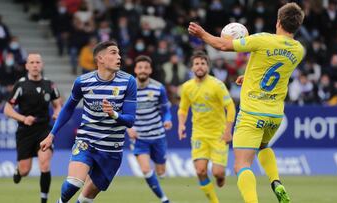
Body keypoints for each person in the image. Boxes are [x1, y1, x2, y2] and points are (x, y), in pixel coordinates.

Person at [188, 2, 305, 203]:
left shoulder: (262, 40)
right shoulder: (298, 50)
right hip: (275, 115)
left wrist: (202, 34)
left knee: (242, 165)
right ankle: (276, 181)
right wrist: (249, 77)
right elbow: (274, 70)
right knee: (264, 145)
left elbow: (222, 45)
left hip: (252, 113)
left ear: (278, 21)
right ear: (297, 26)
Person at [40, 40, 137, 203]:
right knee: (74, 182)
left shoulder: (128, 82)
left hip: (112, 149)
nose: (119, 56)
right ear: (100, 58)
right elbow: (68, 109)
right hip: (87, 141)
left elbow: (130, 120)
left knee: (86, 199)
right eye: (113, 53)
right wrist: (52, 135)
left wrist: (113, 114)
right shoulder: (83, 82)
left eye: (119, 53)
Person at [178, 51, 236, 203]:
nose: (199, 66)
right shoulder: (187, 87)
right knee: (200, 170)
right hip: (199, 134)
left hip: (218, 134)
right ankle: (214, 201)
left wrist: (228, 131)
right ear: (192, 68)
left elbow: (230, 107)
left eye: (203, 63)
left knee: (217, 173)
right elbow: (183, 109)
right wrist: (181, 125)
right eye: (196, 64)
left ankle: (221, 177)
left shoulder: (217, 85)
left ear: (208, 67)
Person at [3, 53, 62, 203]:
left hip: (44, 130)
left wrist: (57, 112)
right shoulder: (21, 85)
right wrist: (23, 118)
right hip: (25, 132)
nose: (35, 65)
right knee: (25, 170)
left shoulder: (50, 85)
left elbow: (58, 104)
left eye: (37, 62)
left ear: (42, 65)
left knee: (45, 163)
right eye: (32, 62)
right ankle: (18, 171)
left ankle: (44, 199)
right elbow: (7, 109)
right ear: (27, 66)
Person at [126, 55, 172, 203]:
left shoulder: (159, 88)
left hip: (158, 135)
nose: (143, 70)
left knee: (161, 172)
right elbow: (120, 112)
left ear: (150, 70)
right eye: (140, 67)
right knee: (146, 170)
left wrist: (168, 120)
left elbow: (166, 110)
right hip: (139, 138)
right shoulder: (127, 89)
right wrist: (128, 129)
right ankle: (164, 199)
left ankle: (161, 170)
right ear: (135, 69)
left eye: (146, 67)